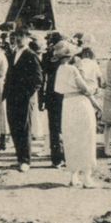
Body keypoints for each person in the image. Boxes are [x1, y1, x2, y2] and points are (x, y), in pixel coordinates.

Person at [54, 43, 101, 187]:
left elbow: (58, 89)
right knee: (86, 138)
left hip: (67, 104)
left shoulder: (60, 70)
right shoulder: (72, 69)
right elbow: (85, 89)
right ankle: (87, 177)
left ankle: (73, 175)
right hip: (80, 103)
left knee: (71, 138)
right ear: (70, 56)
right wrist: (93, 89)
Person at [3, 28, 43, 172]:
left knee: (24, 128)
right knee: (15, 127)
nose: (19, 39)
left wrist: (27, 94)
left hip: (24, 98)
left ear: (28, 38)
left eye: (22, 36)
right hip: (12, 97)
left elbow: (38, 79)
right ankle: (19, 158)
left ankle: (26, 160)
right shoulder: (13, 53)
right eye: (17, 36)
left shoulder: (31, 55)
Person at [41, 33, 66, 168]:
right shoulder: (66, 58)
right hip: (61, 95)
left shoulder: (47, 56)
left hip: (52, 95)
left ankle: (57, 158)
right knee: (62, 127)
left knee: (55, 128)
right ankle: (62, 157)